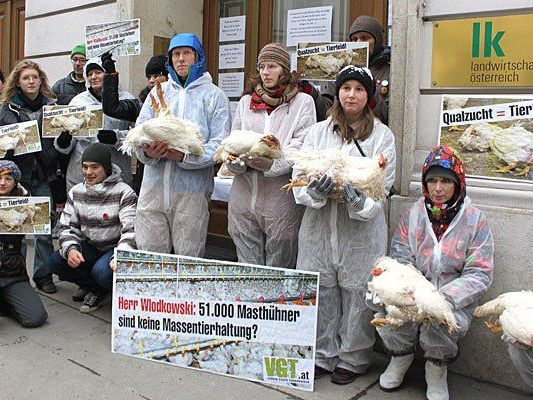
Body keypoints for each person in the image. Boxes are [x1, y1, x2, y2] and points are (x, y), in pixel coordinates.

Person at [292, 66, 396, 384]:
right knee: (322, 289)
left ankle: (353, 357)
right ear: (337, 92)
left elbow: (384, 186)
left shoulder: (381, 136)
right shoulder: (319, 132)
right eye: (346, 88)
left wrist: (358, 200)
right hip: (320, 227)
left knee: (356, 293)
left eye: (359, 89)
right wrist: (314, 192)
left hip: (359, 233)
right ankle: (323, 353)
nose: (351, 94)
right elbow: (299, 175)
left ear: (369, 96)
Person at [375, 146, 494, 400]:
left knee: (440, 323)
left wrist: (443, 298)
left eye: (445, 181)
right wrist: (409, 290)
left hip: (452, 296)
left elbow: (480, 272)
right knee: (389, 309)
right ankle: (400, 357)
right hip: (413, 290)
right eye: (432, 180)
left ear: (458, 183)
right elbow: (400, 256)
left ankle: (436, 369)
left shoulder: (474, 220)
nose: (438, 188)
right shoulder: (414, 214)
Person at [134, 33, 230, 256]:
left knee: (187, 259)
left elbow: (218, 146)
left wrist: (183, 156)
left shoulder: (215, 96)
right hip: (153, 192)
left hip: (191, 195)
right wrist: (147, 152)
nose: (181, 59)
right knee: (150, 259)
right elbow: (139, 132)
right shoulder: (157, 94)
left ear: (199, 58)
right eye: (176, 54)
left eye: (187, 53)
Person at [226, 42, 316, 268]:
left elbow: (302, 145)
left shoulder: (302, 102)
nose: (265, 73)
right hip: (244, 194)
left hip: (280, 197)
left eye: (272, 66)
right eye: (262, 67)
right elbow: (234, 139)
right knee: (248, 265)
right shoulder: (247, 102)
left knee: (279, 266)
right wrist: (236, 162)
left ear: (284, 70)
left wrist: (271, 164)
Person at [45, 143, 137, 313]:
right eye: (85, 167)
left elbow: (131, 230)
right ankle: (97, 288)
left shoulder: (124, 192)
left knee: (102, 271)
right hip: (92, 246)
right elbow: (66, 227)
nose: (88, 172)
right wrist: (71, 249)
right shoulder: (76, 191)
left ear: (106, 168)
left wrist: (121, 255)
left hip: (114, 249)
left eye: (95, 167)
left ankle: (105, 287)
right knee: (55, 262)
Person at [0, 59, 60, 294]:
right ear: (18, 82)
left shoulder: (52, 107)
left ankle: (44, 276)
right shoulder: (6, 109)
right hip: (17, 175)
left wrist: (62, 142)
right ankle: (17, 278)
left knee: (43, 228)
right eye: (26, 78)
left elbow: (60, 143)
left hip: (44, 173)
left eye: (34, 77)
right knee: (17, 229)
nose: (31, 81)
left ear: (41, 80)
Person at [54, 57, 136, 192]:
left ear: (107, 74)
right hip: (81, 175)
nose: (93, 77)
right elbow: (68, 141)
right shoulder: (78, 102)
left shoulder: (127, 100)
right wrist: (64, 142)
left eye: (98, 72)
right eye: (90, 74)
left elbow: (139, 136)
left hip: (116, 173)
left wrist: (117, 138)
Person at [100, 53, 168, 193]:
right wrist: (110, 75)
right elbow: (112, 108)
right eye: (149, 77)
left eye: (156, 76)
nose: (151, 80)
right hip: (149, 170)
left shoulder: (180, 102)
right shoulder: (142, 104)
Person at [309, 15, 390, 124]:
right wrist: (310, 92)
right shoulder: (341, 69)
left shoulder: (390, 70)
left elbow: (392, 117)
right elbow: (326, 111)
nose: (359, 43)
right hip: (342, 135)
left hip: (375, 136)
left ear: (377, 41)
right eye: (354, 39)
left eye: (365, 38)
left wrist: (372, 93)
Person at [0, 160, 48, 327]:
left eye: (8, 179)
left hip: (12, 269)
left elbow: (43, 222)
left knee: (35, 318)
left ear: (16, 182)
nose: (2, 183)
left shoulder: (24, 202)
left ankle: (8, 301)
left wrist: (47, 216)